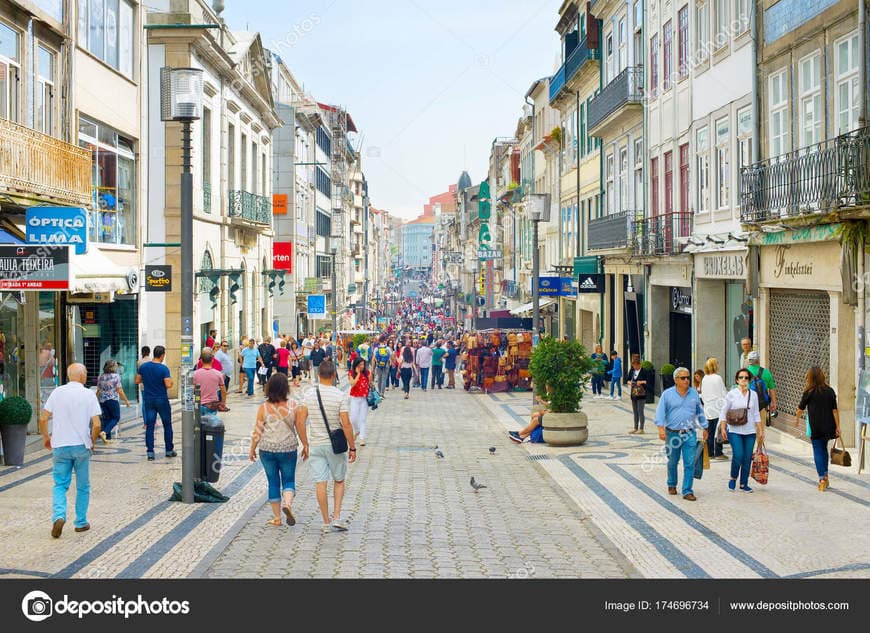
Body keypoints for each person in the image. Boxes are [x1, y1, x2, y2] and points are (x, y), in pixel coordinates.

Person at [39, 363, 102, 538]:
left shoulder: (57, 392)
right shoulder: (88, 394)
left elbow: (43, 419)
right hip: (81, 446)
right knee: (83, 486)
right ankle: (81, 522)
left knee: (60, 484)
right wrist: (92, 440)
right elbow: (96, 424)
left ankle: (59, 516)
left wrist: (46, 438)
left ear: (68, 376)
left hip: (60, 445)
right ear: (82, 376)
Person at [294, 361, 356, 533]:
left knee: (320, 483)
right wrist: (352, 447)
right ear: (334, 375)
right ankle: (336, 517)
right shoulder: (339, 395)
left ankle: (325, 521)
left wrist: (305, 443)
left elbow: (300, 421)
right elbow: (346, 424)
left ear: (318, 375)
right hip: (335, 446)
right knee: (339, 480)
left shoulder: (309, 395)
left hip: (315, 445)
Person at [250, 373, 302, 527]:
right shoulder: (293, 406)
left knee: (273, 482)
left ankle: (277, 518)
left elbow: (257, 431)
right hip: (288, 449)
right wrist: (306, 445)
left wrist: (252, 449)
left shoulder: (263, 408)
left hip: (267, 450)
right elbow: (299, 427)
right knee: (288, 480)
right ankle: (287, 504)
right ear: (286, 388)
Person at [654, 367, 708, 501]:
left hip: (690, 433)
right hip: (672, 433)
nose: (687, 380)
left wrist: (705, 427)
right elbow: (660, 412)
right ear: (676, 380)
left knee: (690, 463)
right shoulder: (667, 394)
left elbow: (700, 411)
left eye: (688, 377)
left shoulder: (694, 394)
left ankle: (687, 490)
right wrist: (661, 429)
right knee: (673, 461)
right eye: (683, 378)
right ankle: (671, 483)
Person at [718, 368, 764, 492]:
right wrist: (723, 427)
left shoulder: (753, 394)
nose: (743, 380)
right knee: (738, 455)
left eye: (746, 378)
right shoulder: (731, 394)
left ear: (749, 380)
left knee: (747, 457)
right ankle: (733, 477)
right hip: (734, 430)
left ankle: (744, 483)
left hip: (750, 431)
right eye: (741, 377)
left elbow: (756, 413)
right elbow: (723, 411)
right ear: (737, 380)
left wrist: (760, 430)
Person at [796, 366, 840, 492]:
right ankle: (825, 476)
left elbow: (800, 408)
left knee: (817, 450)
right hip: (828, 426)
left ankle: (821, 479)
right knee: (823, 449)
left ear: (810, 378)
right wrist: (838, 426)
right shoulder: (830, 391)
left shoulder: (809, 392)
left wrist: (797, 420)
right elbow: (835, 410)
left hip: (815, 426)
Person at [135, 346, 176, 460]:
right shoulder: (163, 369)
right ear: (162, 355)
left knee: (150, 426)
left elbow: (137, 380)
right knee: (167, 424)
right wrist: (171, 382)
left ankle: (150, 452)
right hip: (161, 399)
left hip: (149, 399)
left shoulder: (143, 367)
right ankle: (168, 450)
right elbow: (168, 384)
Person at [699, 358, 729, 461]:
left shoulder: (705, 378)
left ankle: (710, 453)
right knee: (719, 430)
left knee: (710, 431)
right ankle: (718, 452)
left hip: (708, 408)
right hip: (718, 407)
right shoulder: (718, 378)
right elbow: (723, 392)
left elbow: (702, 394)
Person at [95, 359, 130, 442]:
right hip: (112, 400)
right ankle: (105, 432)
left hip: (102, 400)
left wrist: (95, 400)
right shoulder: (116, 376)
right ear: (113, 367)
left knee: (107, 418)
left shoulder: (101, 376)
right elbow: (120, 390)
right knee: (116, 417)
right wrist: (126, 400)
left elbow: (98, 390)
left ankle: (108, 438)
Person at [624, 354, 654, 434]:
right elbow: (627, 380)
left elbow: (648, 381)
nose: (635, 367)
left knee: (640, 411)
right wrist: (631, 382)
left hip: (641, 394)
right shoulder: (632, 371)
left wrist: (641, 382)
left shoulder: (644, 371)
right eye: (633, 366)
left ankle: (641, 428)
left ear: (639, 364)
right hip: (634, 393)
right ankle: (635, 427)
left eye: (636, 366)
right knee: (635, 412)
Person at [746, 350, 777, 423]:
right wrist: (774, 403)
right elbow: (772, 389)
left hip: (748, 405)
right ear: (758, 360)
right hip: (762, 405)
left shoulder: (744, 372)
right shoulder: (766, 372)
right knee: (761, 428)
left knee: (749, 429)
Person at [194, 348, 227, 417]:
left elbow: (194, 390)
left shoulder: (195, 374)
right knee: (211, 425)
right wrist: (223, 403)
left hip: (200, 404)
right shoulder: (218, 374)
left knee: (200, 424)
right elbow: (223, 391)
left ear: (201, 361)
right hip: (213, 405)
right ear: (212, 360)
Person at [348, 357, 371, 447]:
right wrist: (358, 374)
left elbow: (370, 382)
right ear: (356, 365)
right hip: (355, 398)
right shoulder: (351, 373)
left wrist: (370, 380)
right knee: (353, 418)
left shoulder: (367, 373)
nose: (362, 366)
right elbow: (352, 383)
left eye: (363, 364)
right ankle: (357, 430)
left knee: (363, 419)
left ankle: (362, 438)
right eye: (360, 365)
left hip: (364, 398)